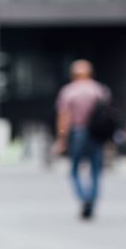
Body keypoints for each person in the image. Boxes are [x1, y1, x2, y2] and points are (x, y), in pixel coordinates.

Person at [52, 59, 111, 220]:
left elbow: (64, 117)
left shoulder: (69, 91)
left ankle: (84, 197)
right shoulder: (99, 90)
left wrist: (62, 137)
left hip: (78, 132)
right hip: (97, 134)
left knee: (75, 168)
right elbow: (108, 115)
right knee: (96, 169)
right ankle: (91, 198)